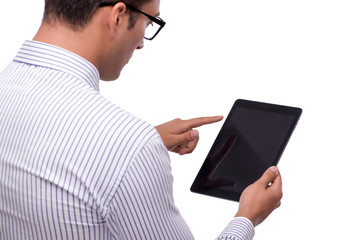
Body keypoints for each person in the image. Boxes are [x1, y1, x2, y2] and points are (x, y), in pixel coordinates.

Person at [0, 0, 282, 239]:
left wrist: (132, 147)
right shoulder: (129, 146)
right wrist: (246, 218)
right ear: (118, 16)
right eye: (149, 23)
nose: (141, 45)